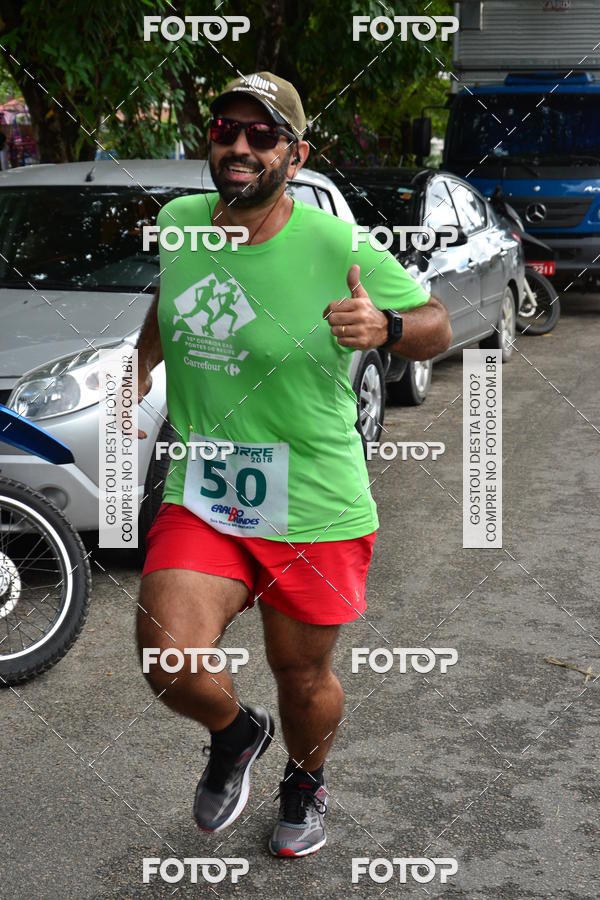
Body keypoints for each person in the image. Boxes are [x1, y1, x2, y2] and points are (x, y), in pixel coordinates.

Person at [135, 71, 452, 858]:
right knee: (167, 653)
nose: (239, 146)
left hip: (313, 499)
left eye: (262, 134)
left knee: (300, 675)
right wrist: (138, 366)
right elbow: (170, 301)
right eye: (225, 130)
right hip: (206, 490)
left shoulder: (334, 244)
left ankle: (306, 779)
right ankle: (235, 732)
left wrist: (385, 327)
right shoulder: (179, 222)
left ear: (296, 155)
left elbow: (438, 326)